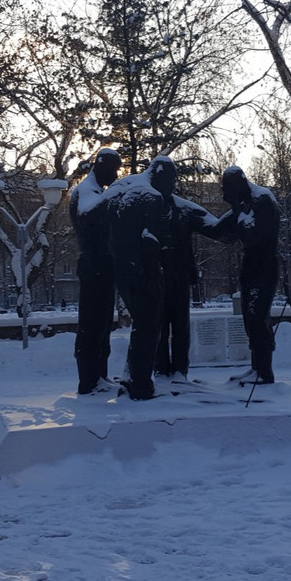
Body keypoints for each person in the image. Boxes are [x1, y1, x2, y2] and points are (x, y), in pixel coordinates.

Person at [101, 156, 175, 400]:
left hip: (120, 269)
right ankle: (140, 385)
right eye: (171, 180)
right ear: (161, 173)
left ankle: (132, 377)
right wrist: (154, 277)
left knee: (140, 326)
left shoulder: (120, 187)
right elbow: (149, 241)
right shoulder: (151, 197)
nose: (172, 187)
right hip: (142, 273)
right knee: (148, 328)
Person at [153, 165, 220, 383]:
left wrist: (239, 212)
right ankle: (160, 369)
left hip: (179, 277)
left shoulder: (183, 208)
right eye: (166, 179)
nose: (170, 184)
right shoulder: (145, 207)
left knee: (181, 327)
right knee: (158, 327)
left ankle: (180, 370)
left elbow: (214, 227)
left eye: (172, 179)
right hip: (155, 279)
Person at [215, 166, 281, 384]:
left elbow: (250, 236)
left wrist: (235, 207)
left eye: (228, 189)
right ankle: (256, 368)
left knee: (258, 317)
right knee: (249, 318)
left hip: (264, 266)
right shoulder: (246, 203)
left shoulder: (262, 200)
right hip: (251, 265)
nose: (226, 194)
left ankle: (264, 372)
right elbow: (225, 233)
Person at [69, 148, 122, 395]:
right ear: (100, 166)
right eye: (113, 170)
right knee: (92, 324)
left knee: (102, 324)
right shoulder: (85, 191)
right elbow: (88, 215)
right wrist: (115, 194)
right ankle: (89, 381)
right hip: (94, 265)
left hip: (104, 264)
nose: (116, 176)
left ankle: (99, 376)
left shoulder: (96, 191)